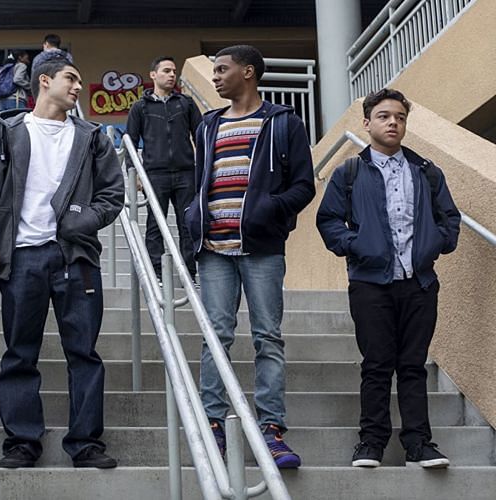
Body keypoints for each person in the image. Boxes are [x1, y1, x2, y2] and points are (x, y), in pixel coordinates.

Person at [0, 58, 124, 469]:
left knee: (84, 353)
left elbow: (112, 195)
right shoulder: (5, 133)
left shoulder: (92, 138)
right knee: (20, 353)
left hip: (76, 257)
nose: (77, 86)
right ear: (45, 81)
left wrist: (80, 222)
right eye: (71, 78)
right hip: (21, 257)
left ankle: (86, 443)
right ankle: (22, 441)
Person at [185, 45, 315, 468]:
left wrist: (269, 209)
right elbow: (200, 181)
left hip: (261, 248)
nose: (216, 77)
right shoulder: (207, 126)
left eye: (222, 70)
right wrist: (192, 213)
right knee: (215, 338)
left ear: (249, 72)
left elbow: (303, 186)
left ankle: (271, 429)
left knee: (267, 337)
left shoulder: (282, 122)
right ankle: (213, 424)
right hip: (213, 250)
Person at [316, 88, 460, 469]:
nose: (392, 122)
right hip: (370, 283)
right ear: (366, 123)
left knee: (412, 365)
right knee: (377, 363)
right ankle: (372, 442)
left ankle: (419, 444)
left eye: (399, 116)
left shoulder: (427, 171)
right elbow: (328, 220)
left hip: (420, 283)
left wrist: (436, 245)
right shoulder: (349, 172)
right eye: (383, 116)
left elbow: (451, 219)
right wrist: (357, 245)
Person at [126, 56, 201, 284]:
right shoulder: (140, 107)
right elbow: (130, 141)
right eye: (166, 70)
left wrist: (205, 169)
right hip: (154, 174)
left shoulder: (185, 103)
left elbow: (201, 136)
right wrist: (134, 173)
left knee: (188, 223)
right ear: (153, 75)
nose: (172, 75)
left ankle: (190, 273)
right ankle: (156, 273)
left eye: (174, 71)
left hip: (186, 173)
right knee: (155, 224)